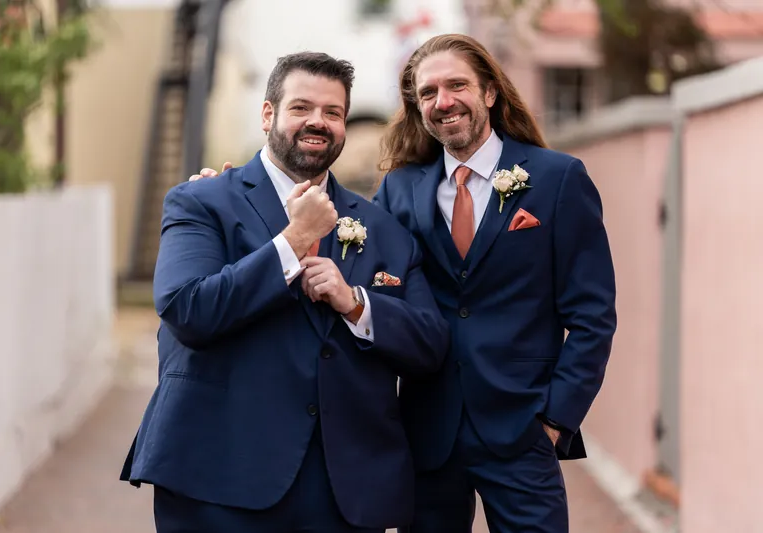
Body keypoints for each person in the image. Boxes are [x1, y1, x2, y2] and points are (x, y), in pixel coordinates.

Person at [191, 34, 617, 533]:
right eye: (429, 92)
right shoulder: (401, 187)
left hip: (522, 428)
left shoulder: (558, 179)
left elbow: (593, 316)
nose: (444, 101)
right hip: (425, 432)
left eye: (457, 85)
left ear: (490, 93)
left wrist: (555, 420)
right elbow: (342, 259)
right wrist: (230, 199)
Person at [121, 51, 450, 533]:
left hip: (342, 491)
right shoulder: (201, 201)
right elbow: (187, 309)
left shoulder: (384, 228)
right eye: (301, 107)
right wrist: (293, 242)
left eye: (333, 112)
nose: (318, 121)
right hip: (218, 475)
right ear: (268, 114)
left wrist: (357, 303)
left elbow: (430, 344)